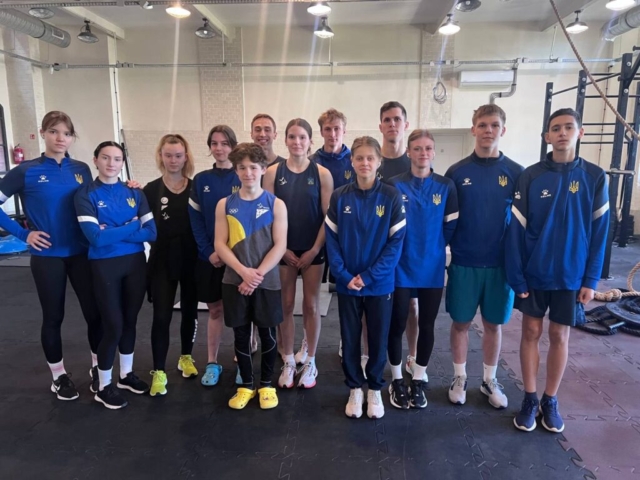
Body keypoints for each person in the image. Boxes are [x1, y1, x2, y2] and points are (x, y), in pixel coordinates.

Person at [507, 108, 609, 433]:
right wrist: (516, 275)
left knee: (559, 335)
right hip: (535, 273)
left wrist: (591, 279)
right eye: (556, 128)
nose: (562, 133)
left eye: (568, 127)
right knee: (530, 332)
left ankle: (550, 400)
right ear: (547, 136)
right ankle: (530, 398)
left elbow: (600, 233)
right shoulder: (531, 176)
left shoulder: (595, 177)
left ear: (580, 132)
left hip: (571, 275)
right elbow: (515, 231)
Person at [0, 111, 103, 401]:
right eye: (54, 131)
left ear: (72, 137)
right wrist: (23, 235)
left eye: (67, 133)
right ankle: (59, 377)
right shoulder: (26, 171)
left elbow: (96, 200)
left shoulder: (81, 169)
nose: (61, 138)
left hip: (81, 253)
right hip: (47, 256)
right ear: (43, 132)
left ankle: (99, 368)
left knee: (94, 313)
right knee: (53, 316)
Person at [444, 104, 524, 409]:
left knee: (493, 324)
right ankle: (459, 377)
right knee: (461, 323)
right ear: (473, 129)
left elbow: (523, 222)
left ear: (503, 130)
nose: (488, 130)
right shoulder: (457, 172)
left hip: (500, 264)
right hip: (464, 261)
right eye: (482, 125)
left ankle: (490, 379)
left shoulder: (516, 173)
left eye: (494, 125)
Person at [325, 136, 406, 419]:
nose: (365, 163)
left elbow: (395, 245)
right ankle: (354, 388)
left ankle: (374, 388)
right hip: (347, 283)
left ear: (379, 161)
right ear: (352, 161)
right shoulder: (340, 196)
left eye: (370, 158)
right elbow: (332, 240)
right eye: (359, 158)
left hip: (379, 285)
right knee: (350, 338)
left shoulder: (391, 196)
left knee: (378, 338)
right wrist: (344, 275)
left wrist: (369, 276)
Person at [75, 141, 156, 409]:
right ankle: (104, 386)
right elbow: (96, 238)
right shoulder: (85, 194)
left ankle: (125, 375)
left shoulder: (134, 192)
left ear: (123, 162)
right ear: (95, 160)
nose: (112, 163)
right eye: (106, 158)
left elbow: (152, 232)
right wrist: (132, 226)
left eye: (117, 159)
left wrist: (113, 230)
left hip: (135, 263)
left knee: (130, 321)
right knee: (113, 325)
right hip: (104, 265)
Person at [387, 129, 458, 410]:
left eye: (428, 148)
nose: (423, 153)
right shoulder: (394, 185)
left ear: (434, 152)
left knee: (427, 324)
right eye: (417, 148)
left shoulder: (446, 186)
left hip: (431, 267)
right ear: (408, 152)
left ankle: (417, 379)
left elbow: (450, 225)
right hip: (400, 267)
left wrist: (435, 245)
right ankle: (396, 380)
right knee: (397, 323)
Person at [214, 142, 287, 410]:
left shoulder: (276, 204)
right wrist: (244, 272)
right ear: (235, 170)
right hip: (235, 281)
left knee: (268, 336)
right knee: (241, 336)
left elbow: (280, 245)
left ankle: (266, 384)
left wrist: (257, 275)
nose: (248, 173)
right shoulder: (225, 204)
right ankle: (246, 385)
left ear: (264, 169)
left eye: (253, 167)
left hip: (267, 282)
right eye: (242, 167)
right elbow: (220, 244)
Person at [263, 118, 333, 389]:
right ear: (285, 140)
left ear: (310, 141)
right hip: (284, 249)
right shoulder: (272, 173)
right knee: (286, 304)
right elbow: (268, 216)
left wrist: (314, 249)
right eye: (292, 137)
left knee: (311, 305)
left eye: (302, 137)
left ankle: (311, 360)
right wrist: (283, 249)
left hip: (313, 248)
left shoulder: (322, 174)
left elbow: (328, 217)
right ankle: (289, 359)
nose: (297, 142)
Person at [144, 134, 198, 396]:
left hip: (192, 259)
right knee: (162, 315)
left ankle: (186, 356)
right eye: (168, 155)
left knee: (189, 311)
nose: (173, 160)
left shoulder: (196, 188)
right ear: (161, 156)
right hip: (162, 260)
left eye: (178, 155)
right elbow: (140, 222)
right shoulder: (150, 190)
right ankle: (159, 371)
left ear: (186, 157)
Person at [189, 125, 242, 387]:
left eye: (224, 143)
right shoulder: (201, 180)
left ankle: (243, 360)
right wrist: (208, 251)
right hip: (210, 258)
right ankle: (212, 361)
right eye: (214, 143)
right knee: (215, 309)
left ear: (233, 146)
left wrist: (237, 257)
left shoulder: (243, 176)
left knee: (242, 312)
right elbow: (196, 220)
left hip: (239, 260)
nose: (219, 148)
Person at [377, 101, 422, 381]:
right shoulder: (373, 161)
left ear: (405, 125)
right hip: (376, 248)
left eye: (397, 119)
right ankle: (370, 354)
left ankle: (413, 356)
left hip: (408, 250)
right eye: (387, 120)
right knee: (373, 305)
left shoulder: (414, 162)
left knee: (412, 307)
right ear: (380, 126)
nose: (392, 124)